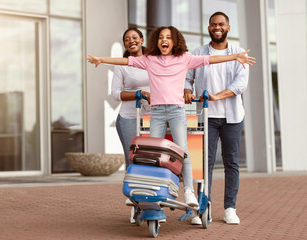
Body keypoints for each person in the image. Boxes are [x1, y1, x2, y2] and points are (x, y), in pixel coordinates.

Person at [87, 25, 255, 210]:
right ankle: (149, 189)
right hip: (157, 112)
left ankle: (189, 191)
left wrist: (235, 56)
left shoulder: (184, 58)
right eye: (160, 37)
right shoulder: (149, 59)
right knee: (152, 153)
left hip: (176, 111)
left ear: (174, 41)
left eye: (168, 37)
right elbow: (125, 62)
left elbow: (210, 59)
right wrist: (101, 60)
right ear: (156, 42)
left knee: (183, 152)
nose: (164, 40)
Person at [185, 12, 248, 225]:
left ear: (228, 28)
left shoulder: (239, 53)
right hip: (205, 116)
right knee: (203, 164)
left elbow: (240, 85)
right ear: (209, 28)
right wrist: (186, 90)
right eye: (213, 25)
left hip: (232, 117)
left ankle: (230, 208)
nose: (217, 27)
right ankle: (204, 208)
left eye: (221, 24)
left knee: (231, 163)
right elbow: (187, 78)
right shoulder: (198, 53)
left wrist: (217, 96)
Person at [111, 27, 151, 224]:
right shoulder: (122, 65)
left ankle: (151, 203)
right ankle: (136, 205)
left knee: (151, 161)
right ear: (125, 44)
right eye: (127, 39)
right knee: (133, 162)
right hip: (128, 118)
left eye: (135, 37)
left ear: (142, 39)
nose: (131, 41)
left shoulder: (153, 61)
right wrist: (140, 94)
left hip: (153, 118)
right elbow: (115, 94)